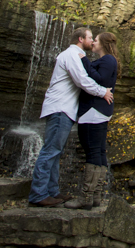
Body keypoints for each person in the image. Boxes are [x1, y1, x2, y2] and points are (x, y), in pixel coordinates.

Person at [28, 27, 113, 208]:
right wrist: (102, 92)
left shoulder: (75, 55)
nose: (92, 41)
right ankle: (38, 194)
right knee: (50, 151)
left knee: (55, 151)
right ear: (81, 39)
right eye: (90, 38)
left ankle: (52, 192)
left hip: (64, 109)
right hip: (60, 109)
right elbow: (82, 80)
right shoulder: (72, 55)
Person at [64, 31, 120, 210]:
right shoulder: (108, 60)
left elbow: (101, 81)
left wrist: (84, 61)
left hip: (94, 110)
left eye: (95, 40)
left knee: (93, 151)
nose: (93, 42)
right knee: (99, 151)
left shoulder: (108, 59)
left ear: (103, 43)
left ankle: (86, 197)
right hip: (98, 110)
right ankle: (96, 196)